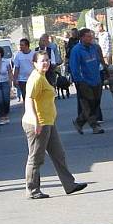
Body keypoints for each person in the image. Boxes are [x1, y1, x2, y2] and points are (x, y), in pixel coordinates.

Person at [22, 51, 87, 199]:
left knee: (59, 154)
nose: (45, 63)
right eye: (41, 61)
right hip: (38, 124)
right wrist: (36, 122)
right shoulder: (36, 78)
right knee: (36, 158)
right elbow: (29, 99)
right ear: (34, 63)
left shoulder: (43, 76)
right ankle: (32, 190)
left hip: (48, 122)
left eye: (47, 60)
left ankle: (69, 184)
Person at [69, 28, 107, 134]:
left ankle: (79, 122)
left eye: (91, 36)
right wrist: (79, 81)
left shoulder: (94, 47)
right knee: (88, 104)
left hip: (96, 80)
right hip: (84, 82)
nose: (91, 38)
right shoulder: (76, 50)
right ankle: (94, 126)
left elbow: (99, 61)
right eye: (88, 36)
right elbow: (74, 67)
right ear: (82, 38)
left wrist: (104, 71)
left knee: (95, 103)